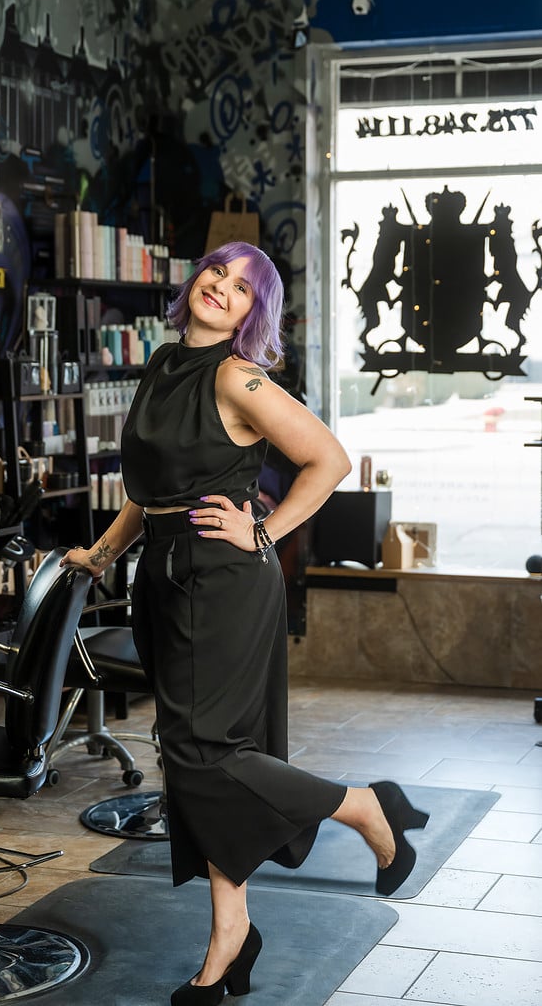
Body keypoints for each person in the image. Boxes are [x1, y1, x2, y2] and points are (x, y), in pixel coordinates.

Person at [60, 240, 429, 1005]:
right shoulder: (163, 363)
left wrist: (264, 529)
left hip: (221, 577)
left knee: (203, 751)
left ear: (254, 312)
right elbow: (151, 488)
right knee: (191, 753)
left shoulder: (238, 375)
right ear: (195, 281)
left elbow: (326, 457)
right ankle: (232, 931)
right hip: (160, 572)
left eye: (241, 287)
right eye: (215, 273)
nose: (221, 289)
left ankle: (363, 804)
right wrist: (103, 551)